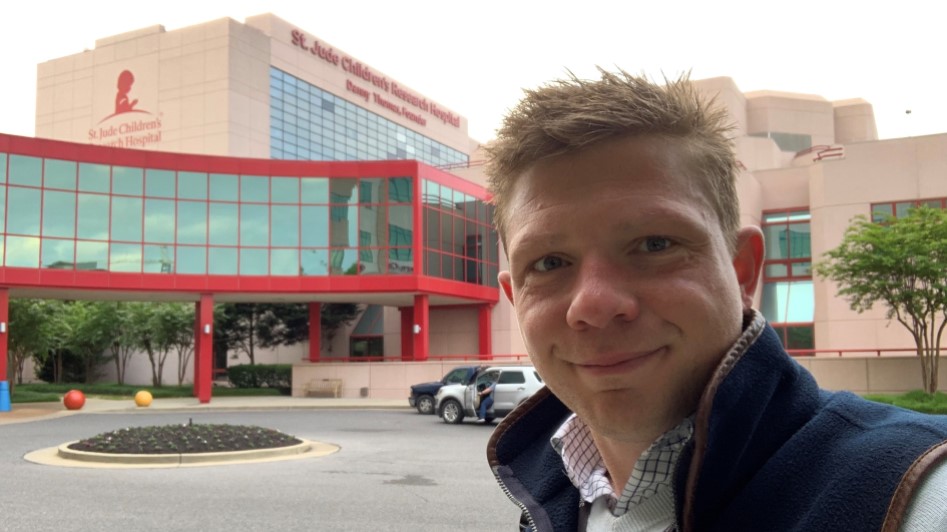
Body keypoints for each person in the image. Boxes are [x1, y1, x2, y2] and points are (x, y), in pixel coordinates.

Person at [483, 68, 947, 532]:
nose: (593, 304)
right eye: (548, 264)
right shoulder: (555, 499)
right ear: (515, 297)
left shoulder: (916, 494)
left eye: (654, 244)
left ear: (742, 269)